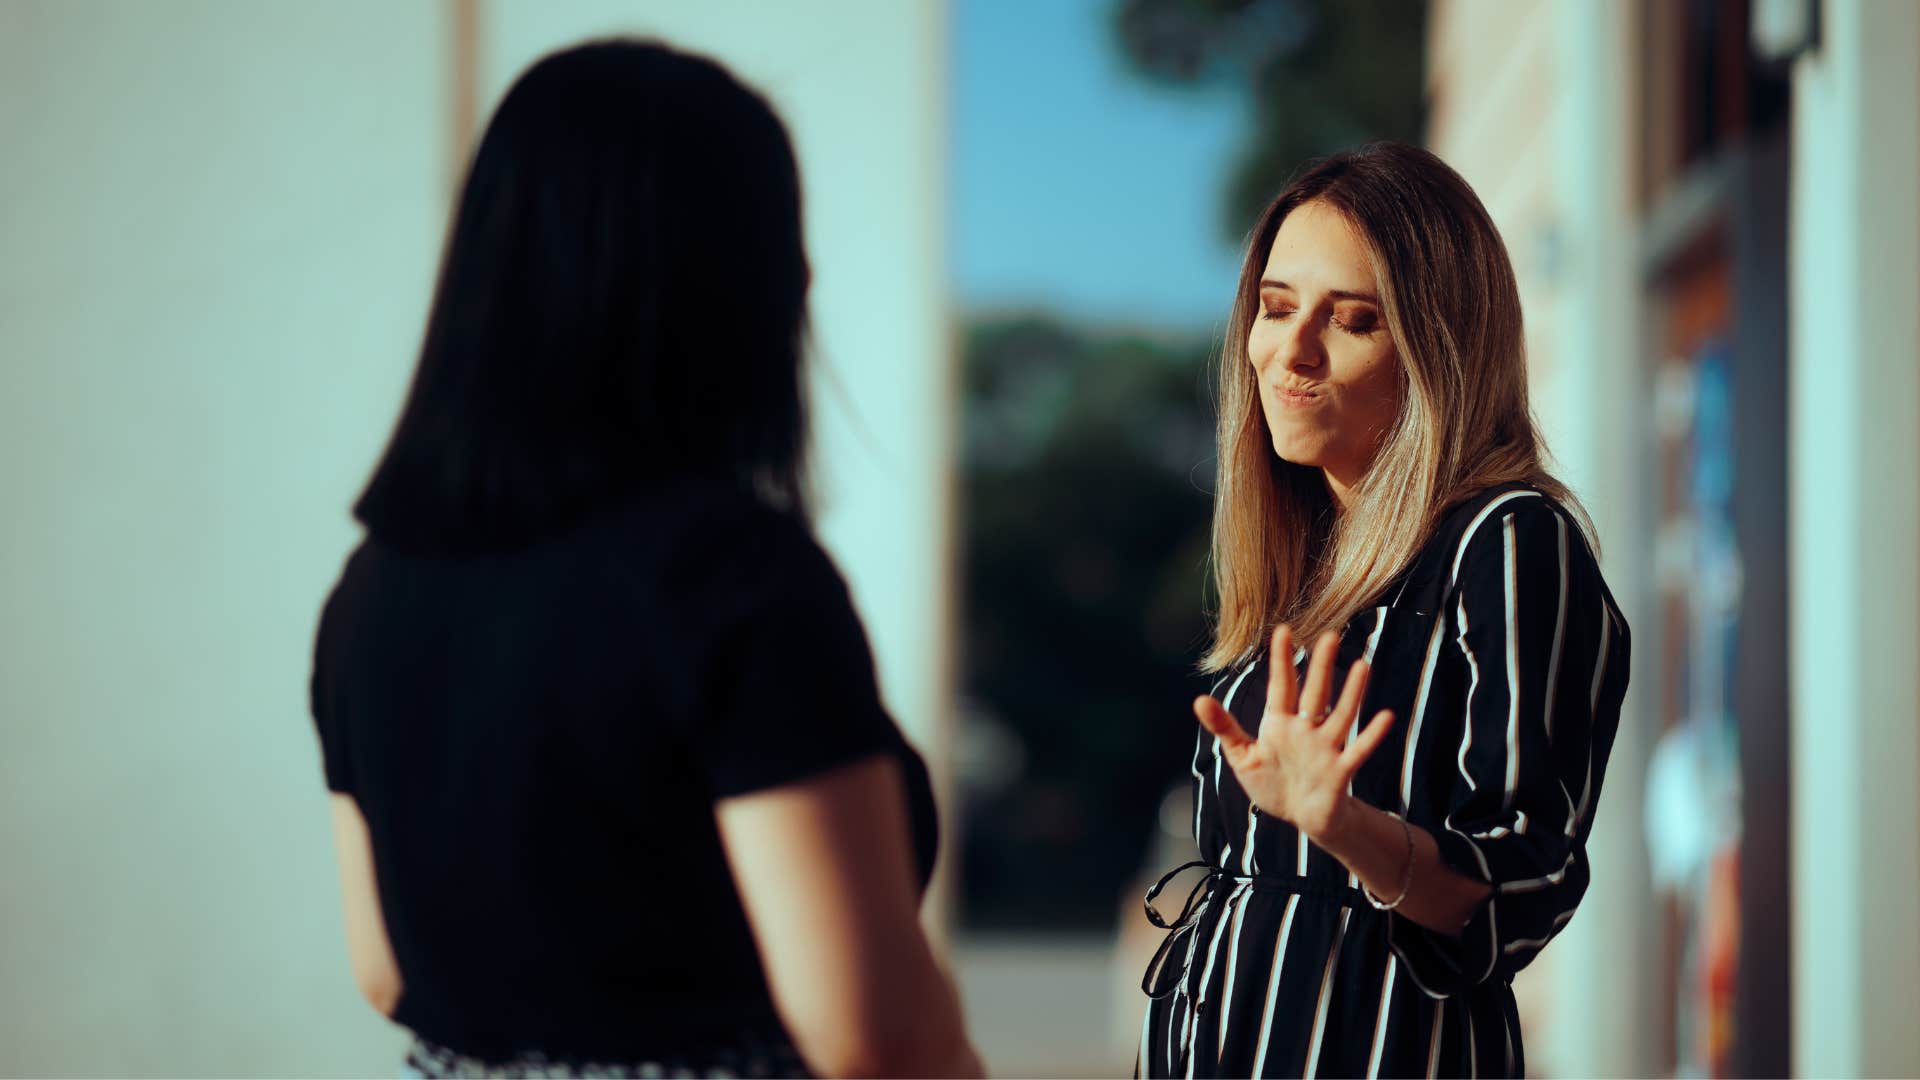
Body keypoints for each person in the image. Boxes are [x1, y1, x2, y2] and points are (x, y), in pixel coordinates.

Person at [307, 39, 981, 1079]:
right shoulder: (731, 581)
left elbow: (386, 972)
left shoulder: (372, 590)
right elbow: (873, 1038)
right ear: (733, 283)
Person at [1136, 142, 1630, 1078]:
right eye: (1276, 309)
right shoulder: (1305, 560)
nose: (1292, 352)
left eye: (1352, 320)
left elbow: (1528, 880)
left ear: (1436, 349)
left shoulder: (1509, 541)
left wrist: (1348, 828)